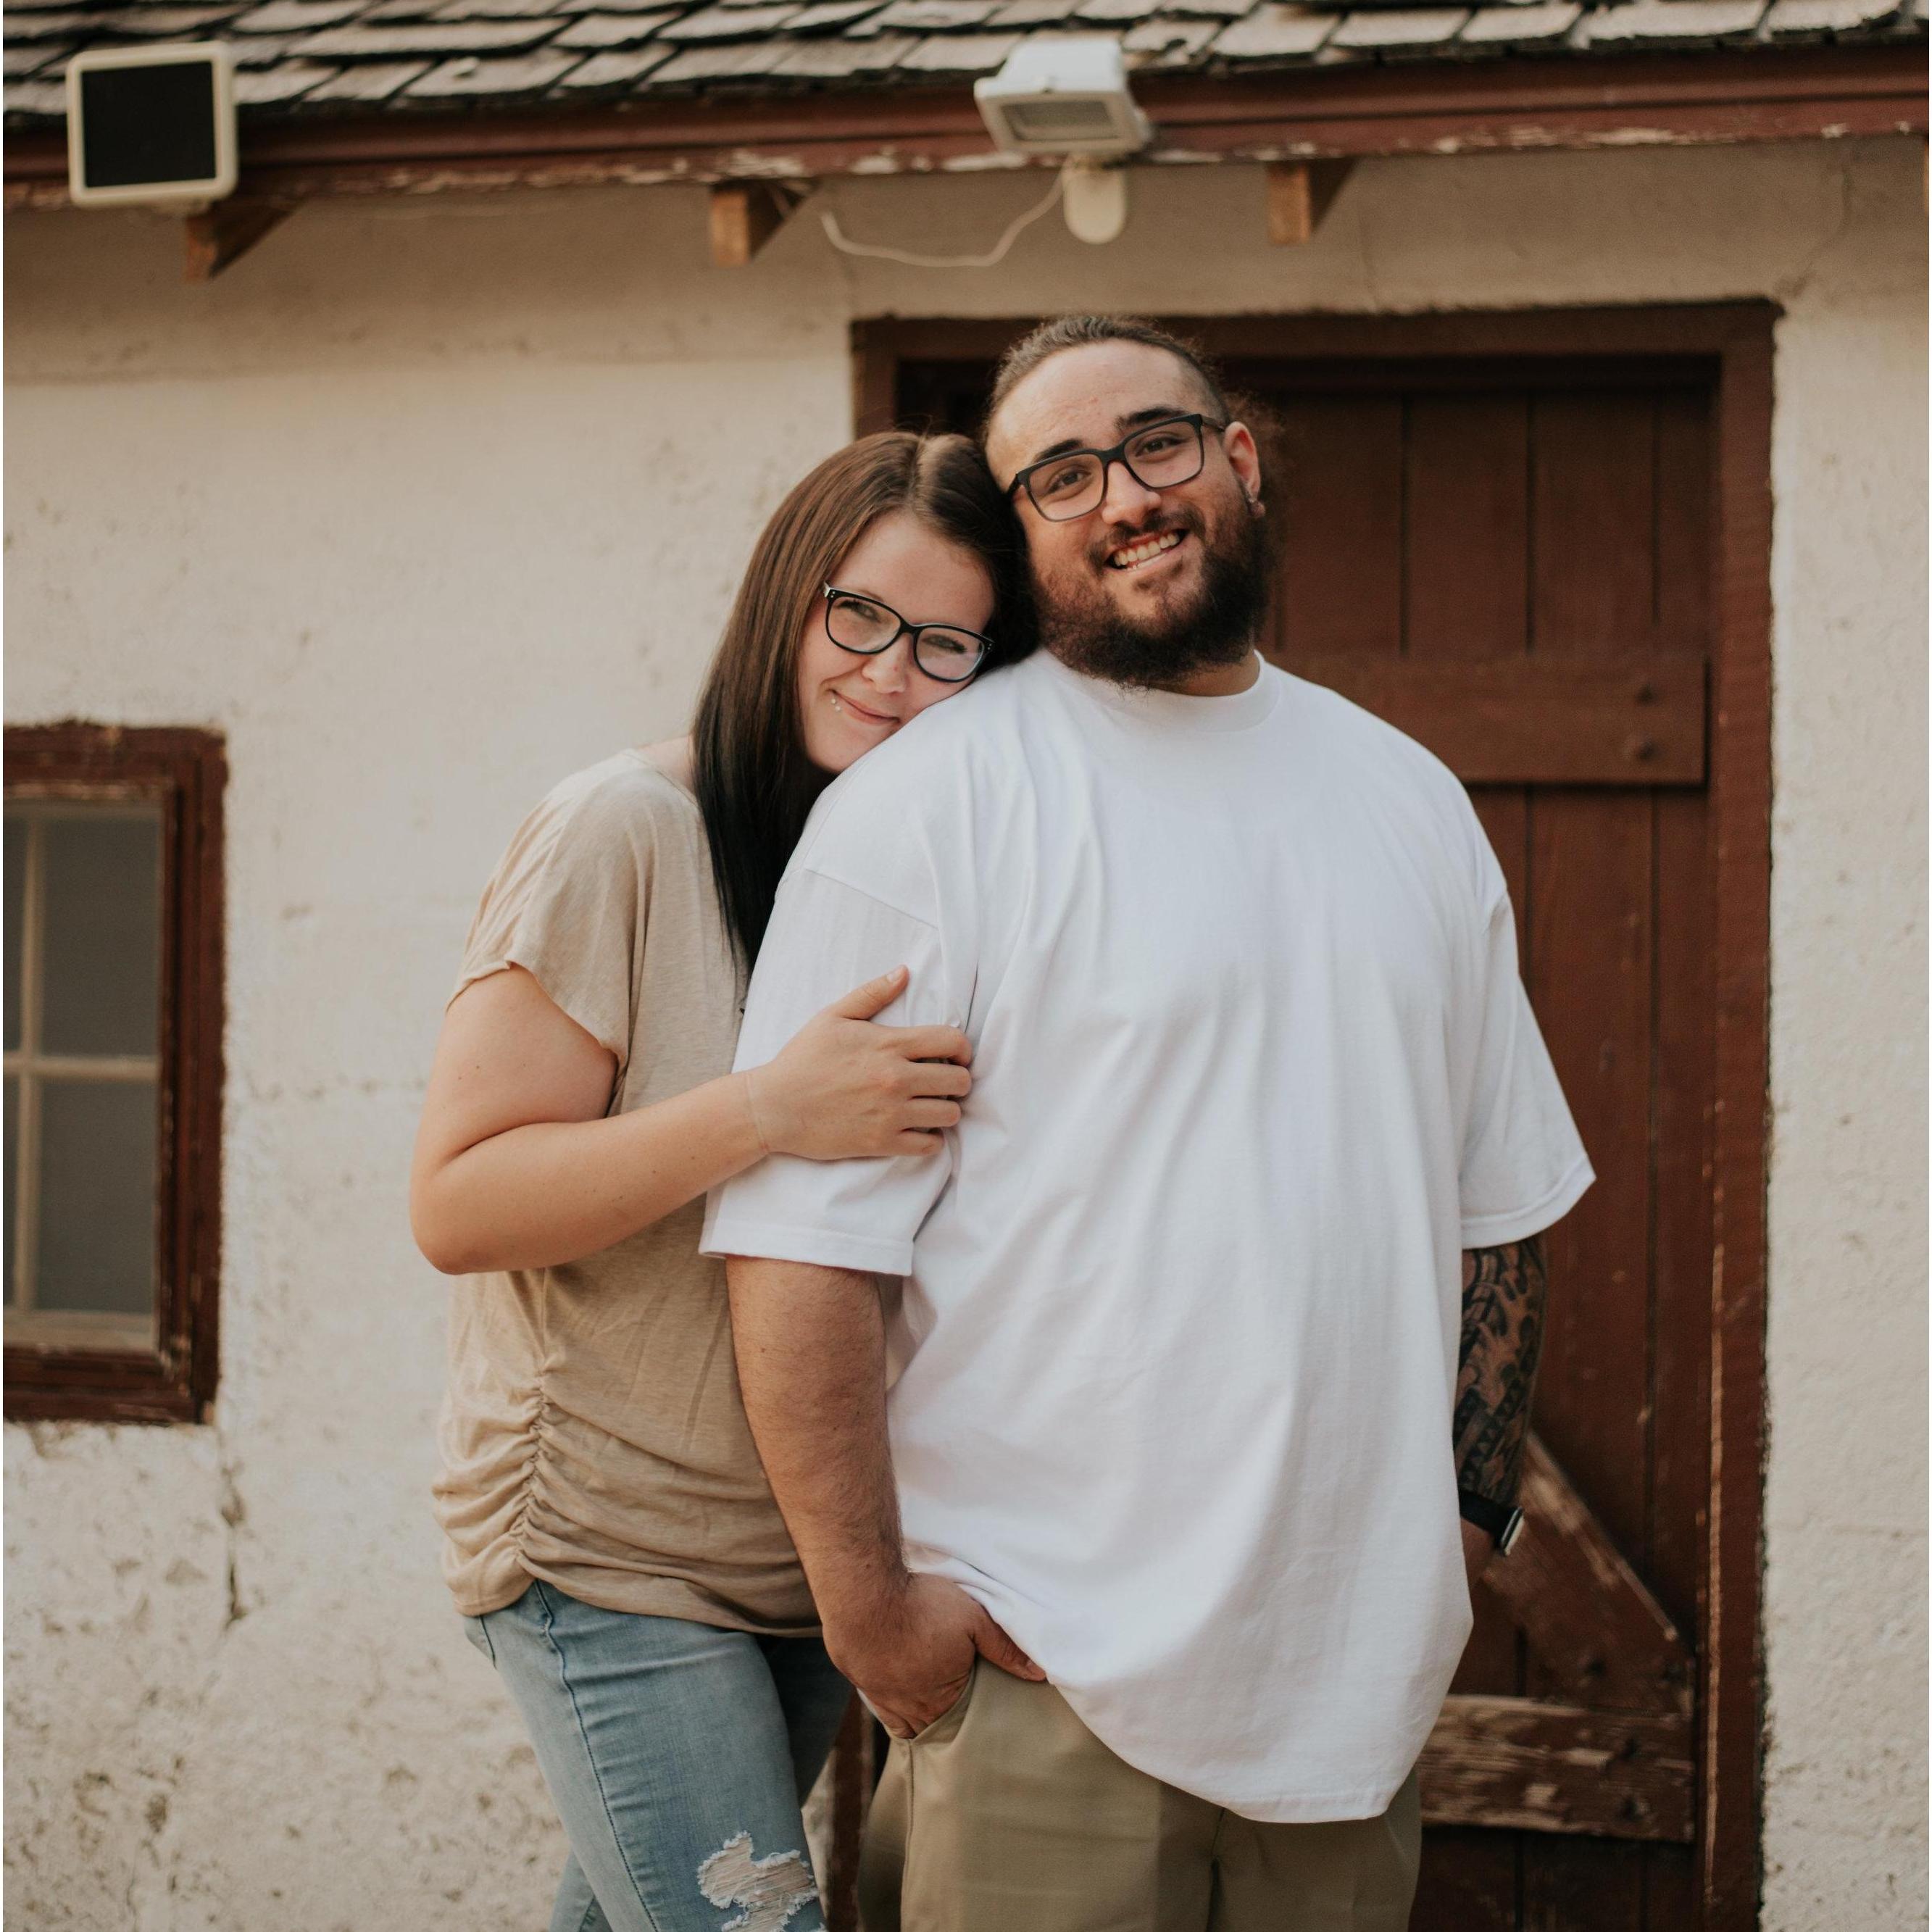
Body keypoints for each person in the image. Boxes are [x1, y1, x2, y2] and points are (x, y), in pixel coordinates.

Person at [703, 317, 1594, 1931]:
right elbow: (793, 1244)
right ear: (1023, 532)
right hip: (1046, 1684)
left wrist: (1461, 1522)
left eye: (1155, 443)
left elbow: (1500, 1207)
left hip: (1346, 1706)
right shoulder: (927, 810)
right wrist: (872, 1610)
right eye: (1061, 474)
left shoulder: (1408, 800)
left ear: (1236, 456)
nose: (1121, 494)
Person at [409, 430, 1030, 1932]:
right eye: (859, 616)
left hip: (811, 1561)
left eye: (946, 645)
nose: (891, 672)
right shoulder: (625, 828)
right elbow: (458, 1201)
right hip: (606, 1549)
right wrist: (763, 1110)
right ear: (782, 601)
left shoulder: (926, 878)